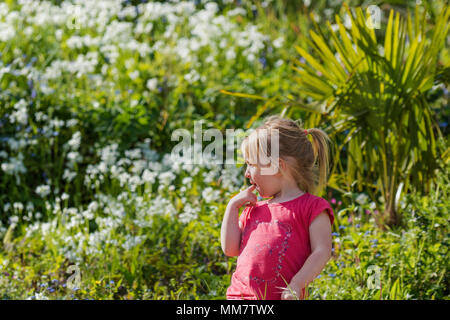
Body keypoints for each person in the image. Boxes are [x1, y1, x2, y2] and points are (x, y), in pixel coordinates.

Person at [221, 116, 334, 300]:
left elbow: (322, 250)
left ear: (278, 166)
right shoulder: (253, 208)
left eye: (251, 164)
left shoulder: (312, 207)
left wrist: (296, 285)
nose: (246, 173)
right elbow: (230, 249)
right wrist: (232, 207)